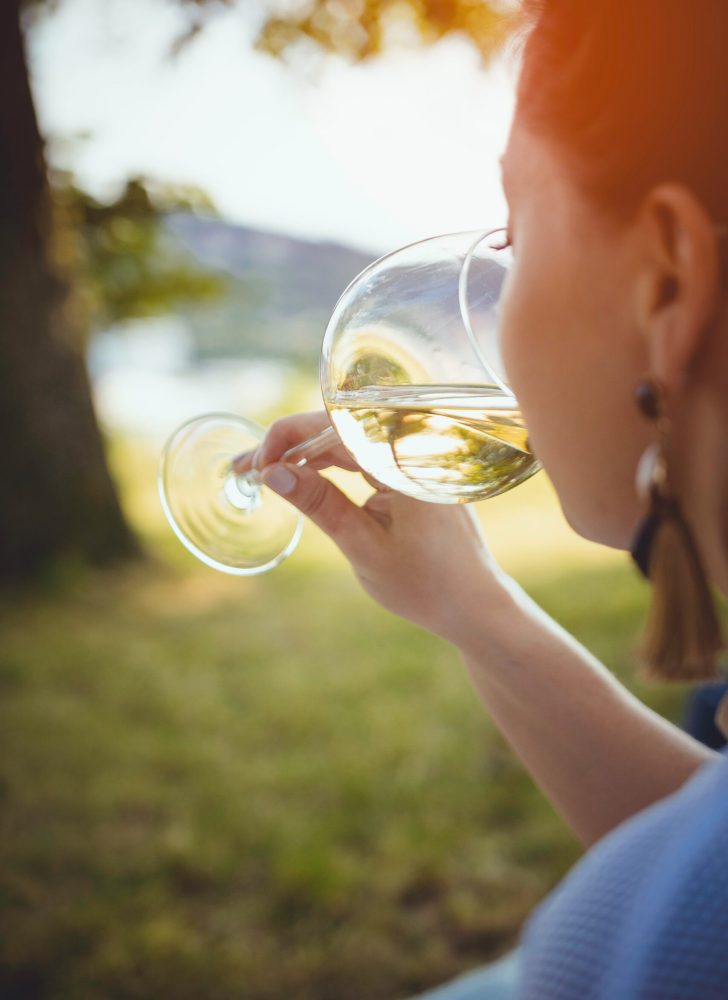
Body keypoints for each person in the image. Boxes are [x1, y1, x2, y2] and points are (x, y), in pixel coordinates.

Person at [237, 2, 728, 996]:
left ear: (666, 284)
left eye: (515, 232)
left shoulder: (619, 961)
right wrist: (466, 604)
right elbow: (702, 841)